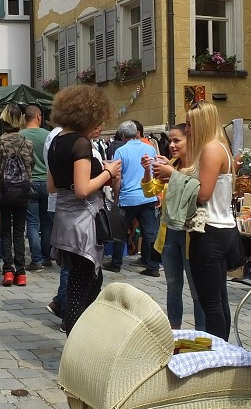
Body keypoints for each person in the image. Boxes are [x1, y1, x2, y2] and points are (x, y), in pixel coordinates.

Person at [47, 85, 119, 334]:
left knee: (89, 280)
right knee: (81, 285)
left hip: (66, 219)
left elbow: (52, 186)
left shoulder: (56, 141)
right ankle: (75, 340)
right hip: (82, 221)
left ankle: (81, 334)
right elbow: (82, 189)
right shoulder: (80, 143)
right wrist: (108, 172)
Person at [143, 123, 207, 330]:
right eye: (170, 141)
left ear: (190, 140)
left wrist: (173, 174)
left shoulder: (198, 168)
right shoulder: (171, 164)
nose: (171, 145)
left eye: (176, 140)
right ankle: (174, 332)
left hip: (191, 235)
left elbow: (200, 193)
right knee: (173, 286)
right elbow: (151, 191)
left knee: (198, 291)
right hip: (170, 234)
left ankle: (202, 335)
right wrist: (147, 171)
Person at [183, 101, 237, 340]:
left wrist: (173, 176)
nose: (186, 130)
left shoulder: (211, 149)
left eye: (189, 124)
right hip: (221, 229)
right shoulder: (220, 147)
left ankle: (219, 354)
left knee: (211, 303)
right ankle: (222, 350)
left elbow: (203, 194)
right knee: (219, 299)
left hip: (210, 231)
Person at [108, 120, 161, 277]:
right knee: (150, 233)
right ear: (137, 132)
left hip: (128, 197)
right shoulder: (150, 148)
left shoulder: (121, 151)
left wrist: (116, 197)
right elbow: (156, 172)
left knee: (120, 231)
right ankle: (152, 266)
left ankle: (116, 263)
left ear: (123, 135)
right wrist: (157, 193)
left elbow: (117, 178)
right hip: (147, 196)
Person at [0, 104, 33, 286]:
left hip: (4, 193)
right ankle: (21, 273)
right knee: (20, 232)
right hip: (23, 192)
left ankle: (8, 271)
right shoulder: (27, 142)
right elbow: (31, 166)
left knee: (5, 232)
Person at [21, 104, 53, 270]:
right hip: (47, 183)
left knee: (32, 223)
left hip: (29, 182)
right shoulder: (48, 136)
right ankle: (47, 257)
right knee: (47, 222)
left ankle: (36, 259)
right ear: (39, 116)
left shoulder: (20, 136)